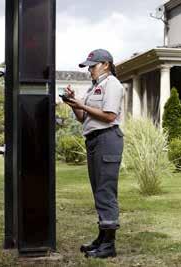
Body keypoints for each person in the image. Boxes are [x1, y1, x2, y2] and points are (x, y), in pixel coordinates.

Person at [62, 49, 124, 258]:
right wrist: (73, 103)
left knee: (106, 191)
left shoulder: (112, 85)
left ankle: (109, 245)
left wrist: (82, 105)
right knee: (99, 191)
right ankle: (102, 238)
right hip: (94, 140)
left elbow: (109, 116)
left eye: (93, 66)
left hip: (107, 139)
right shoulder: (94, 88)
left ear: (106, 64)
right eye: (89, 67)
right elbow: (83, 118)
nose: (90, 70)